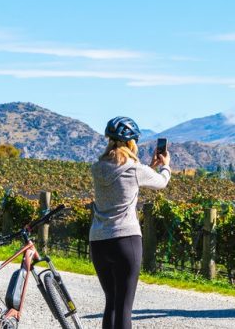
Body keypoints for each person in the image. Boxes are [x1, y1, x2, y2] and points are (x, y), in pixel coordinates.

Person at [90, 116, 171, 329]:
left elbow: (123, 175)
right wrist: (165, 166)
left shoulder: (97, 168)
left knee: (112, 303)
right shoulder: (135, 169)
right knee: (125, 306)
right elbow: (161, 182)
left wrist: (148, 166)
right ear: (131, 143)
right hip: (126, 241)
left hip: (98, 241)